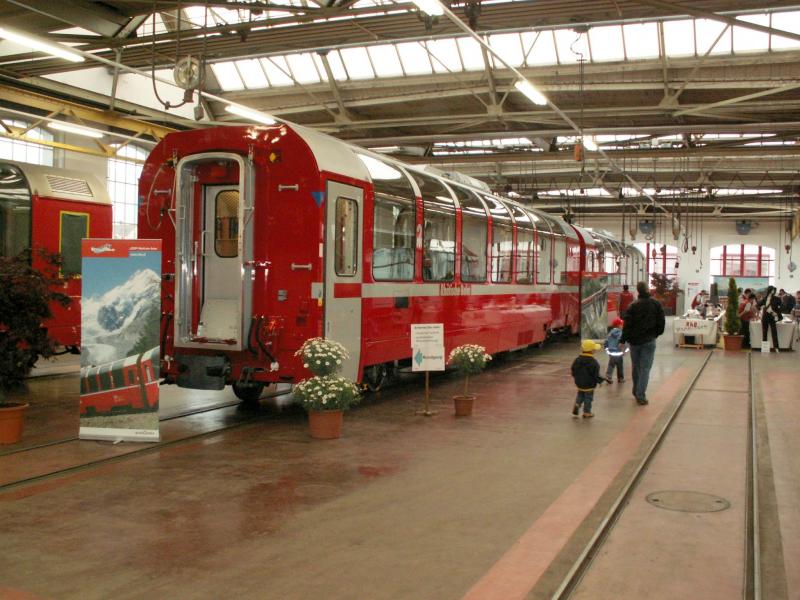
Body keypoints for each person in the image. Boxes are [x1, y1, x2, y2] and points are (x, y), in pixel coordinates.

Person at [620, 281, 666, 405]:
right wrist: (656, 334)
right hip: (649, 341)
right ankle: (640, 395)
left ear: (638, 291)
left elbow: (627, 325)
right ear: (647, 290)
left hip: (634, 342)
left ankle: (636, 391)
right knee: (645, 368)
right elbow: (661, 321)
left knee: (636, 367)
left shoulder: (632, 306)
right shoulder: (656, 304)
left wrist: (622, 340)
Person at [571, 339, 606, 418]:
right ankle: (587, 412)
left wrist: (576, 377)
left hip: (579, 382)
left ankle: (577, 404)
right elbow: (595, 375)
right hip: (589, 384)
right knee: (588, 398)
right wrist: (599, 381)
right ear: (592, 351)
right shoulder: (594, 362)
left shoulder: (577, 360)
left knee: (580, 394)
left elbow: (573, 369)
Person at [758, 286, 783, 352]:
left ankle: (776, 347)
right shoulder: (764, 298)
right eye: (772, 290)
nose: (773, 291)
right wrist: (761, 307)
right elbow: (758, 305)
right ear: (769, 290)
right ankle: (764, 348)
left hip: (772, 317)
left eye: (774, 290)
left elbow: (781, 307)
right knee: (764, 332)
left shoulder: (777, 299)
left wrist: (777, 313)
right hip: (765, 317)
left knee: (774, 332)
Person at [604, 318, 625, 383]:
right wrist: (625, 350)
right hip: (619, 353)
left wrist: (607, 349)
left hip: (612, 353)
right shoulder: (621, 333)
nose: (623, 326)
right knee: (620, 366)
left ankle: (608, 376)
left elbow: (606, 342)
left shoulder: (610, 333)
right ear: (619, 325)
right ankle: (620, 378)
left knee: (611, 365)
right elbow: (623, 342)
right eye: (622, 325)